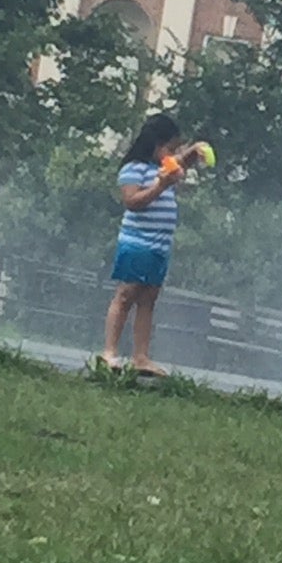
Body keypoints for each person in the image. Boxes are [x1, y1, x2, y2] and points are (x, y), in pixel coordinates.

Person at [101, 113, 206, 376]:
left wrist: (193, 152)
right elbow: (133, 201)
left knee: (148, 299)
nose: (174, 154)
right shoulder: (134, 169)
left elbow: (180, 162)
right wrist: (161, 186)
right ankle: (110, 352)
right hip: (137, 242)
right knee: (126, 294)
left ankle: (141, 356)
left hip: (160, 245)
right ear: (155, 144)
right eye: (170, 148)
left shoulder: (165, 167)